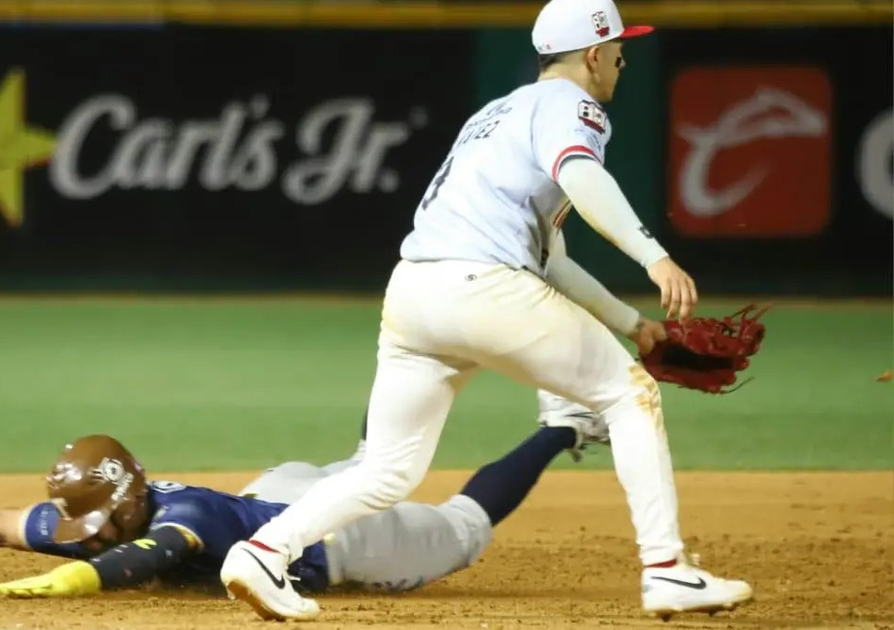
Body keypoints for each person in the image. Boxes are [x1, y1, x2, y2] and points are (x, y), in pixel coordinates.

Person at [216, 0, 753, 622]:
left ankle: (261, 552)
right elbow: (580, 174)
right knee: (628, 396)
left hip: (415, 293)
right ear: (594, 55)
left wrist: (634, 326)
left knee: (388, 470)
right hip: (483, 286)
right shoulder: (571, 106)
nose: (623, 59)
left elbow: (548, 260)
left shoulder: (495, 114)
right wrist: (653, 256)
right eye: (618, 49)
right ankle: (666, 571)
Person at [0, 407, 607, 597]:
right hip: (273, 495)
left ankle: (563, 426)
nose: (80, 538)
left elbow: (147, 560)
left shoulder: (177, 524)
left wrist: (67, 579)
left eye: (92, 527)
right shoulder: (108, 512)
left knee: (461, 529)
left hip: (340, 537)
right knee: (373, 459)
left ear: (129, 503)